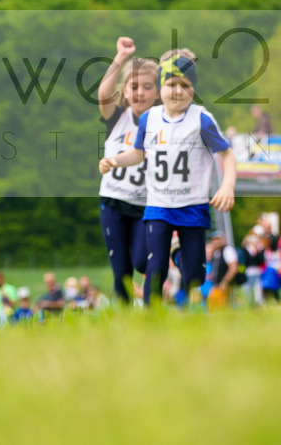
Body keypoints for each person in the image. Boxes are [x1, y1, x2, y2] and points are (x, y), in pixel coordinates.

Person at [99, 54, 237, 306]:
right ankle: (153, 314)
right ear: (162, 88)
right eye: (171, 84)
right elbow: (138, 153)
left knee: (194, 272)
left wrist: (228, 186)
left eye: (185, 85)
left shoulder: (201, 119)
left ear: (193, 90)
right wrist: (115, 160)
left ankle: (192, 307)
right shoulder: (149, 119)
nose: (178, 91)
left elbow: (227, 155)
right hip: (158, 205)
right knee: (154, 264)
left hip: (192, 205)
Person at [97, 37, 159, 304]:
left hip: (146, 204)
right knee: (121, 269)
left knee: (142, 263)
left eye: (147, 87)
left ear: (157, 92)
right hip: (113, 202)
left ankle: (152, 301)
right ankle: (122, 317)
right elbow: (102, 94)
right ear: (125, 89)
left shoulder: (161, 123)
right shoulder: (117, 117)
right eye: (134, 86)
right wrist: (120, 57)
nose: (140, 93)